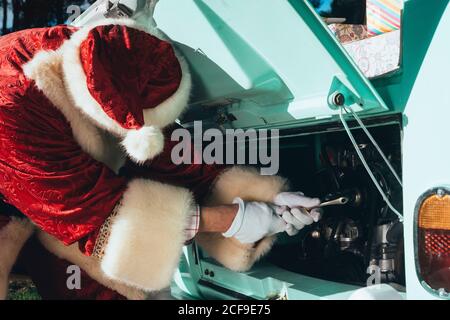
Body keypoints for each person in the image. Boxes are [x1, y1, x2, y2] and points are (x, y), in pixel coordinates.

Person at [0, 17, 321, 299]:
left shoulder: (105, 54)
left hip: (40, 178)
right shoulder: (11, 107)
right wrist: (232, 219)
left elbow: (163, 150)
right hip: (22, 193)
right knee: (93, 280)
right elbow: (98, 220)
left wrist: (264, 197)